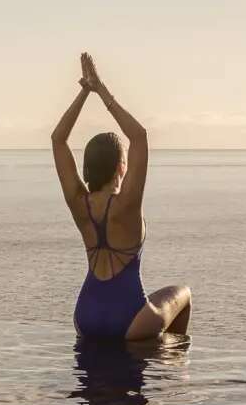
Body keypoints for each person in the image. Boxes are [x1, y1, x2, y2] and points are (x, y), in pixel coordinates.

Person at [51, 53, 192, 340]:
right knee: (183, 294)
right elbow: (139, 136)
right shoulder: (127, 204)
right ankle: (171, 371)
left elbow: (58, 139)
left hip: (86, 314)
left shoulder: (79, 203)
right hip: (129, 319)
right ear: (121, 167)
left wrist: (84, 92)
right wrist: (101, 88)